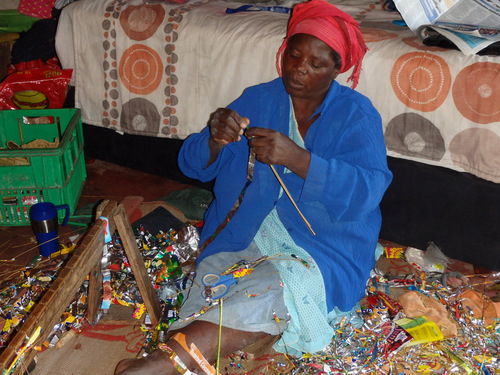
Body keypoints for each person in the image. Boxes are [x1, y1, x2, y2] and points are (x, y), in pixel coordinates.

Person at [114, 0, 392, 373]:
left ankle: (160, 365)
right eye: (294, 56)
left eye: (316, 64)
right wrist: (215, 138)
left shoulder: (357, 115)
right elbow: (192, 165)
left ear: (337, 69)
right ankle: (173, 359)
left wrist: (298, 159)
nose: (299, 70)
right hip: (242, 232)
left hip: (322, 244)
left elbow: (368, 190)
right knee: (216, 286)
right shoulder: (258, 99)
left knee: (275, 289)